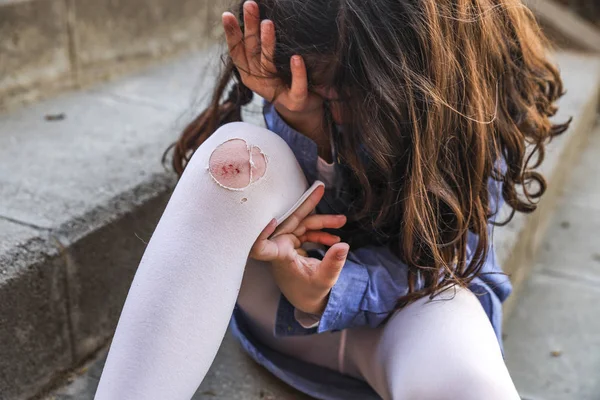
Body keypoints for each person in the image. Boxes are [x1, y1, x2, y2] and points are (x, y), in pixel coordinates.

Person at [95, 1, 570, 399]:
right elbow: (289, 214)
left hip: (418, 315)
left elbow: (444, 260)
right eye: (317, 90)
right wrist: (309, 129)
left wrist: (324, 294)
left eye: (356, 92)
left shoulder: (478, 108)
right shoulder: (307, 99)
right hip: (282, 313)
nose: (338, 109)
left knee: (467, 373)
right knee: (236, 157)